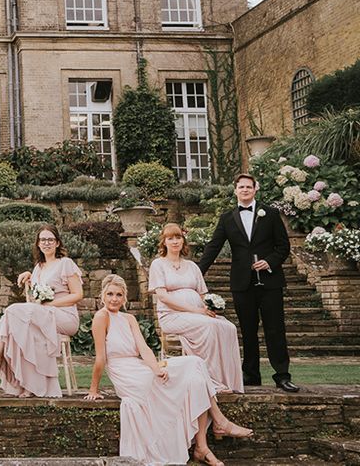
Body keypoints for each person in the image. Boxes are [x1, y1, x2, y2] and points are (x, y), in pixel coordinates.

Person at [85, 274, 252, 466]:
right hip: (125, 374)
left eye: (119, 295)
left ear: (125, 298)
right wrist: (93, 389)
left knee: (195, 365)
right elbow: (100, 358)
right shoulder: (101, 316)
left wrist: (155, 367)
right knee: (188, 378)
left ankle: (202, 446)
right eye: (110, 294)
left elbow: (144, 349)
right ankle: (217, 427)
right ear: (102, 296)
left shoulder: (129, 318)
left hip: (140, 367)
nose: (114, 299)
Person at [197, 173, 298, 392]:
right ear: (235, 190)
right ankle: (251, 375)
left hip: (270, 282)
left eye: (248, 187)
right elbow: (214, 247)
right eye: (241, 187)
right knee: (247, 330)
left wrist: (269, 262)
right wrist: (195, 273)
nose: (244, 190)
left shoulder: (270, 214)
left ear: (255, 190)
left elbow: (283, 247)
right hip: (242, 283)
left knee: (275, 329)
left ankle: (282, 375)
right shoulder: (227, 218)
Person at [0, 224, 83, 397]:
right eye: (43, 240)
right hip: (43, 315)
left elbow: (78, 295)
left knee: (12, 311)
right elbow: (34, 300)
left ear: (58, 243)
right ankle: (29, 385)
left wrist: (50, 305)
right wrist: (30, 279)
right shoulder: (38, 267)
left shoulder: (65, 263)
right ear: (38, 244)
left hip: (65, 317)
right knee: (21, 329)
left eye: (50, 239)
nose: (46, 243)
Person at [149, 223, 243, 393]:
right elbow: (163, 296)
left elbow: (202, 295)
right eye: (170, 238)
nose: (175, 241)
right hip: (172, 316)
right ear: (164, 242)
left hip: (197, 314)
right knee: (209, 326)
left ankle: (227, 380)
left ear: (183, 241)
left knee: (227, 327)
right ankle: (208, 380)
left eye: (178, 237)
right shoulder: (158, 264)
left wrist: (211, 305)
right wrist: (197, 311)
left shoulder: (192, 266)